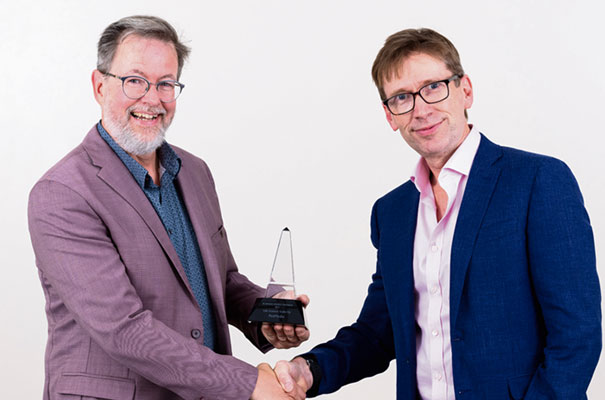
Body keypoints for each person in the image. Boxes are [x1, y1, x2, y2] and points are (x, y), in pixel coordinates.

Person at [273, 28, 601, 399]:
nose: (421, 109)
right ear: (389, 115)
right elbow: (377, 333)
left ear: (466, 91)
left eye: (433, 87)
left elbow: (577, 335)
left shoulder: (538, 180)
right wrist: (309, 370)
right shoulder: (392, 212)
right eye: (402, 98)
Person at [28, 15, 309, 400]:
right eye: (135, 81)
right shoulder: (62, 193)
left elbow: (220, 281)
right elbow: (123, 329)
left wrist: (265, 314)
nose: (152, 98)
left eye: (166, 84)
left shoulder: (194, 172)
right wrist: (247, 383)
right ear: (99, 86)